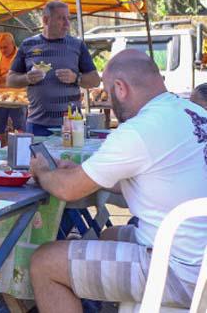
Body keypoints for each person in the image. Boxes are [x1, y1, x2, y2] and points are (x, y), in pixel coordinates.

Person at [29, 50, 207, 312]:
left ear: (120, 88)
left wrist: (43, 172)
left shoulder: (139, 130)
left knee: (44, 262)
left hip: (179, 273)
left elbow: (67, 190)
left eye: (109, 93)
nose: (110, 104)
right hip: (197, 254)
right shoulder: (193, 111)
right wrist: (85, 173)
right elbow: (154, 177)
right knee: (108, 235)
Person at [7, 0, 100, 136]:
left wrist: (76, 78)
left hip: (71, 123)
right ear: (46, 20)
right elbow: (10, 80)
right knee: (38, 158)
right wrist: (27, 78)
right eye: (61, 19)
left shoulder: (77, 45)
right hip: (37, 124)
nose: (67, 24)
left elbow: (95, 80)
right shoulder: (28, 45)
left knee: (68, 158)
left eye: (68, 18)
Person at [0, 32, 26, 134]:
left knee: (20, 130)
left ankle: (19, 148)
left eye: (5, 47)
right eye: (0, 47)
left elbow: (27, 76)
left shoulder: (21, 56)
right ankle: (0, 147)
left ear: (12, 43)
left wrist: (7, 77)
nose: (3, 50)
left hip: (17, 100)